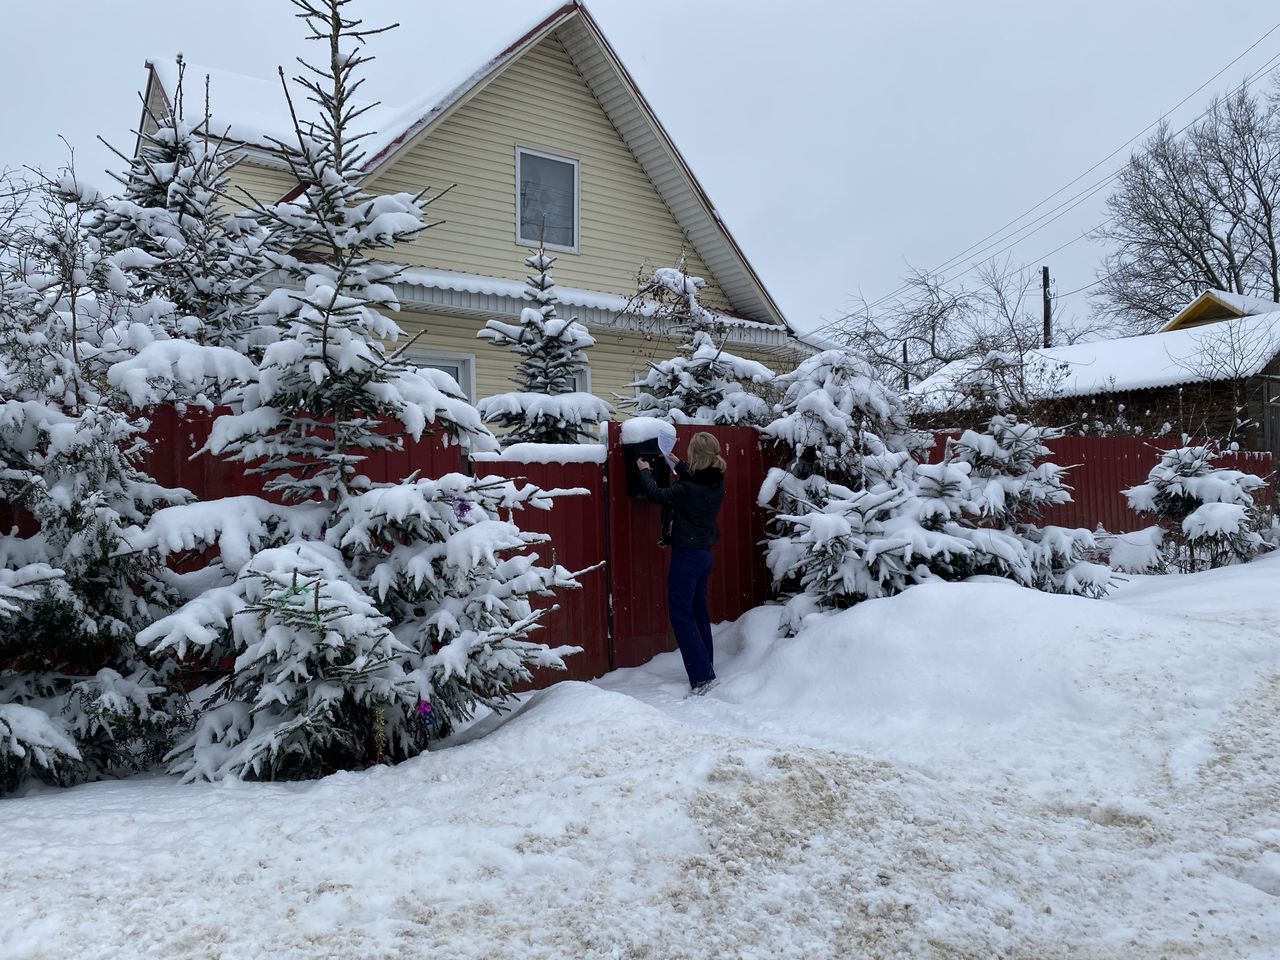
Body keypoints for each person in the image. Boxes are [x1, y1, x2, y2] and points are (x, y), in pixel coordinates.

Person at [636, 431, 727, 695]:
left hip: (687, 557)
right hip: (704, 555)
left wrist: (644, 471)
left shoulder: (687, 490)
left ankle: (701, 678)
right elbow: (696, 478)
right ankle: (706, 668)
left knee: (681, 614)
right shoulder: (716, 480)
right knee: (698, 611)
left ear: (696, 456)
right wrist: (677, 464)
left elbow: (657, 495)